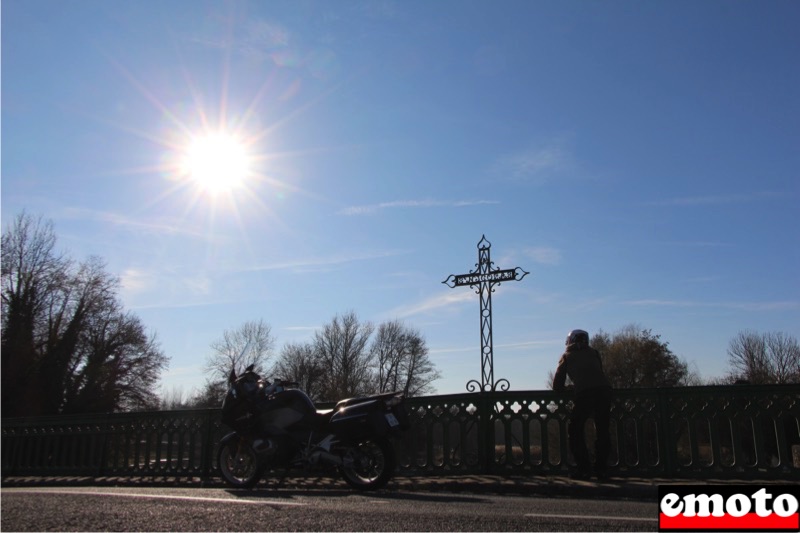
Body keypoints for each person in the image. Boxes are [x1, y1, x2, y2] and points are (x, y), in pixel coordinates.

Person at [552, 329, 613, 480]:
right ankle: (602, 470)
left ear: (569, 341)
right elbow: (599, 372)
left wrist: (570, 388)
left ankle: (584, 469)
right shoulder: (594, 353)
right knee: (602, 430)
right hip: (604, 392)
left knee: (575, 430)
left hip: (585, 394)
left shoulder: (567, 356)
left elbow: (557, 385)